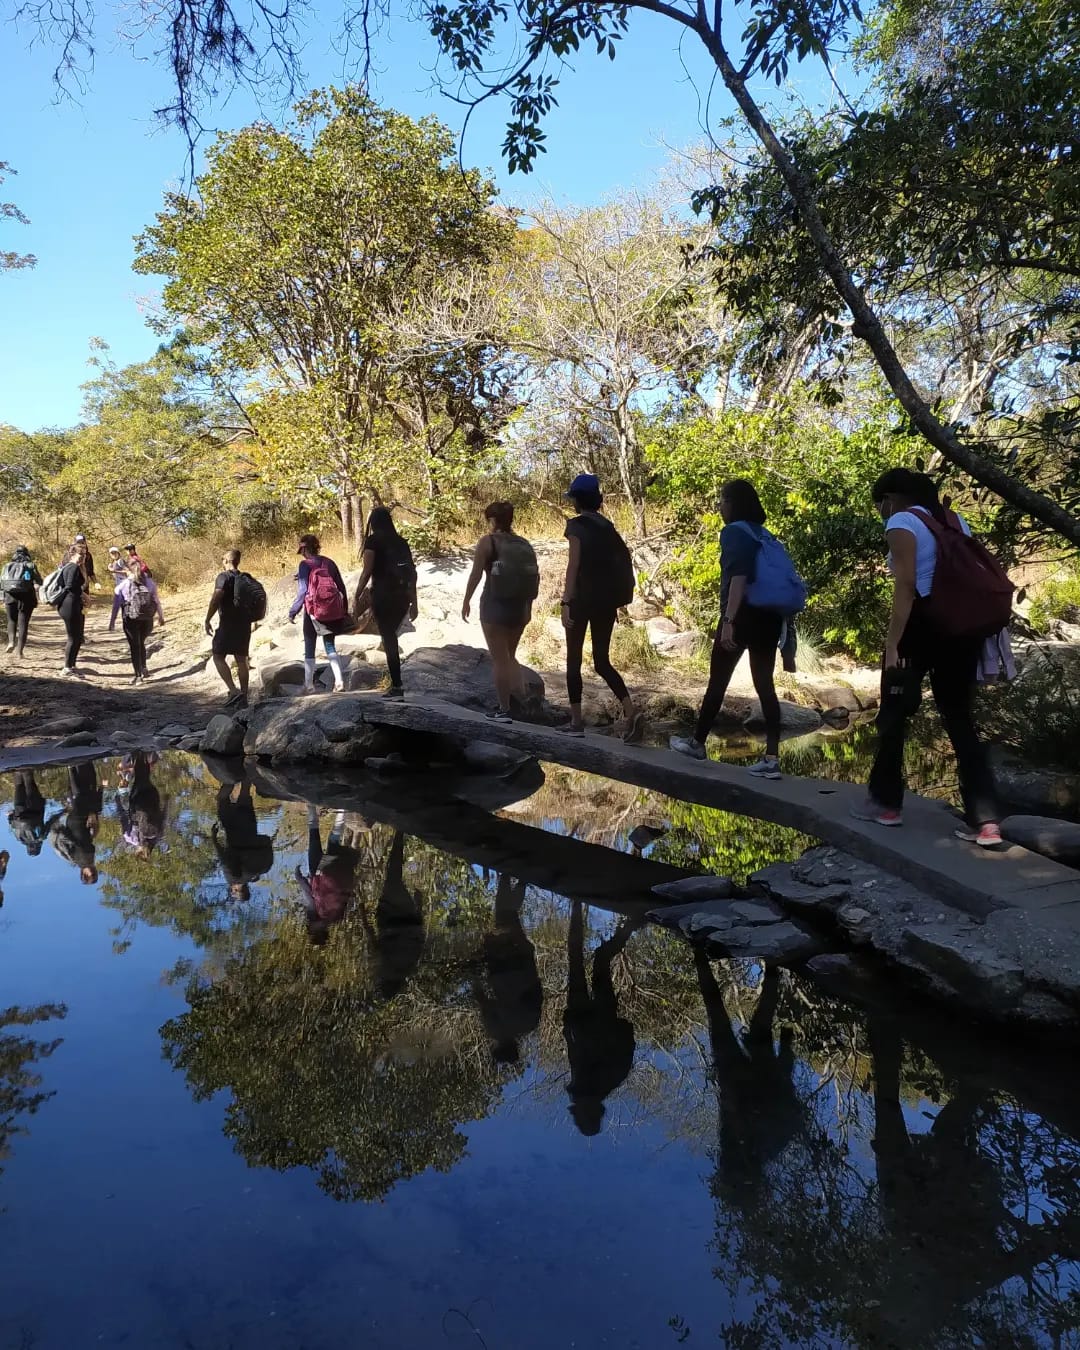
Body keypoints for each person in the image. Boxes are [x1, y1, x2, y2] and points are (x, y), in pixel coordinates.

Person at [852, 467, 1001, 846]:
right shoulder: (955, 520)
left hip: (921, 624)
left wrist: (892, 645)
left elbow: (905, 588)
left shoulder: (902, 520)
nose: (881, 511)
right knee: (960, 719)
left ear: (892, 498)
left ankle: (885, 805)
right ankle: (984, 822)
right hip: (961, 627)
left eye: (880, 503)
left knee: (893, 715)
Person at [670, 478, 786, 778]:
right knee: (765, 686)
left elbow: (738, 579)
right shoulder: (766, 535)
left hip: (743, 616)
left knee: (718, 681)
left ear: (734, 504)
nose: (719, 506)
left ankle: (697, 743)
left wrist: (729, 621)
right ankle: (771, 759)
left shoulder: (734, 532)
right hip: (770, 617)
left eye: (722, 500)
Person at [560, 474, 644, 741]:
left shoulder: (576, 526)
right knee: (602, 662)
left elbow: (574, 565)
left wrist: (566, 601)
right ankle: (631, 713)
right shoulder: (608, 527)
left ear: (577, 500)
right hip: (606, 603)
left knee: (573, 660)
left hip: (581, 600)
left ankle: (576, 722)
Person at [562, 901, 638, 1136]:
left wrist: (568, 1028)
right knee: (597, 958)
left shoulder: (583, 1087)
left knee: (578, 958)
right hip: (599, 1015)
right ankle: (632, 921)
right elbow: (627, 1036)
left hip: (582, 1016)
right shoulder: (609, 1079)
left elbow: (575, 1053)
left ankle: (576, 904)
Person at [461, 501, 538, 722]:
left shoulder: (488, 542)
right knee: (511, 656)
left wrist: (466, 600)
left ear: (492, 520)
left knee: (499, 659)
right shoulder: (524, 544)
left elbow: (476, 575)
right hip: (520, 608)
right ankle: (522, 705)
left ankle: (504, 709)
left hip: (494, 606)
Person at [353, 507, 418, 701]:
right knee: (391, 636)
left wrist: (356, 595)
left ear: (373, 522)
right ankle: (396, 684)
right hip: (402, 597)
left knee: (388, 638)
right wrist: (415, 602)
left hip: (383, 595)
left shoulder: (373, 541)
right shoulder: (401, 542)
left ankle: (397, 686)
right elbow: (412, 573)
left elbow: (367, 571)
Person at [288, 533, 348, 694]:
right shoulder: (329, 563)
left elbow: (302, 591)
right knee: (330, 645)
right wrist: (344, 608)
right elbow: (341, 587)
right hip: (332, 609)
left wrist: (293, 611)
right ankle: (340, 682)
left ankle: (308, 686)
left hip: (313, 611)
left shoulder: (304, 565)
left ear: (304, 549)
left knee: (309, 646)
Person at [295, 805, 359, 944]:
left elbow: (348, 897)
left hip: (339, 870)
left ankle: (343, 809)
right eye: (310, 930)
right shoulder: (316, 914)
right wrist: (298, 877)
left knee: (334, 839)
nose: (309, 926)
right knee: (314, 834)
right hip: (323, 871)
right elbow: (308, 894)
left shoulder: (338, 918)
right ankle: (310, 804)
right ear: (315, 931)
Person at [211, 777, 274, 901]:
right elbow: (223, 859)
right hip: (233, 830)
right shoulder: (233, 878)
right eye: (233, 892)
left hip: (249, 827)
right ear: (235, 890)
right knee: (222, 799)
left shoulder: (255, 874)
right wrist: (214, 837)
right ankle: (231, 773)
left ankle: (247, 767)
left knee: (245, 792)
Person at [205, 548, 253, 707]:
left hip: (228, 622)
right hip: (244, 623)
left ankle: (233, 691)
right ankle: (244, 696)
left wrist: (208, 618)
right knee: (241, 659)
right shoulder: (246, 578)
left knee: (218, 656)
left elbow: (217, 597)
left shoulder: (223, 577)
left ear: (226, 561)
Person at [45, 762, 101, 885]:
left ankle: (76, 764)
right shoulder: (75, 860)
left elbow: (80, 844)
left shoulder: (84, 860)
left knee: (82, 795)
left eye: (91, 874)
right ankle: (73, 766)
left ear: (84, 874)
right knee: (79, 796)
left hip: (78, 821)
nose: (93, 871)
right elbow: (81, 842)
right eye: (95, 873)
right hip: (73, 822)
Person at [117, 752, 166, 859]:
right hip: (138, 803)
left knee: (144, 778)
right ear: (137, 852)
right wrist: (120, 795)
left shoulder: (158, 836)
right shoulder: (130, 838)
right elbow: (123, 815)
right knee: (140, 778)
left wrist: (166, 802)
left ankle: (143, 754)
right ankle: (139, 753)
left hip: (152, 799)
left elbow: (163, 816)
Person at [117, 560, 157, 683]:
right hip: (147, 619)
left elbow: (117, 596)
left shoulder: (125, 583)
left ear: (128, 570)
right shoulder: (150, 583)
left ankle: (138, 676)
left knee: (135, 645)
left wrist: (113, 620)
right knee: (141, 642)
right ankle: (144, 668)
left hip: (131, 617)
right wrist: (160, 616)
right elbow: (156, 601)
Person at [55, 540, 90, 677]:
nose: (83, 557)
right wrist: (84, 595)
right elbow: (70, 586)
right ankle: (67, 668)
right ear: (72, 554)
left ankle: (72, 664)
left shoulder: (75, 567)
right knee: (73, 637)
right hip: (69, 605)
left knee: (78, 636)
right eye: (80, 554)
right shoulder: (72, 567)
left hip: (74, 604)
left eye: (85, 554)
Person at [2, 545, 42, 657]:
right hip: (26, 598)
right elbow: (40, 581)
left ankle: (11, 642)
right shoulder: (30, 565)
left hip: (10, 596)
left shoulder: (7, 566)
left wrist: (2, 597)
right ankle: (20, 651)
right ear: (27, 554)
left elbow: (2, 583)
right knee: (23, 623)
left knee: (11, 620)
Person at [8, 769, 47, 856]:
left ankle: (26, 762)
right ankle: (17, 764)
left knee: (29, 783)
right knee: (19, 785)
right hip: (19, 811)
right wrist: (11, 815)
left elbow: (50, 823)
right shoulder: (19, 838)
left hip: (35, 809)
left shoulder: (41, 838)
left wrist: (61, 813)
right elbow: (12, 824)